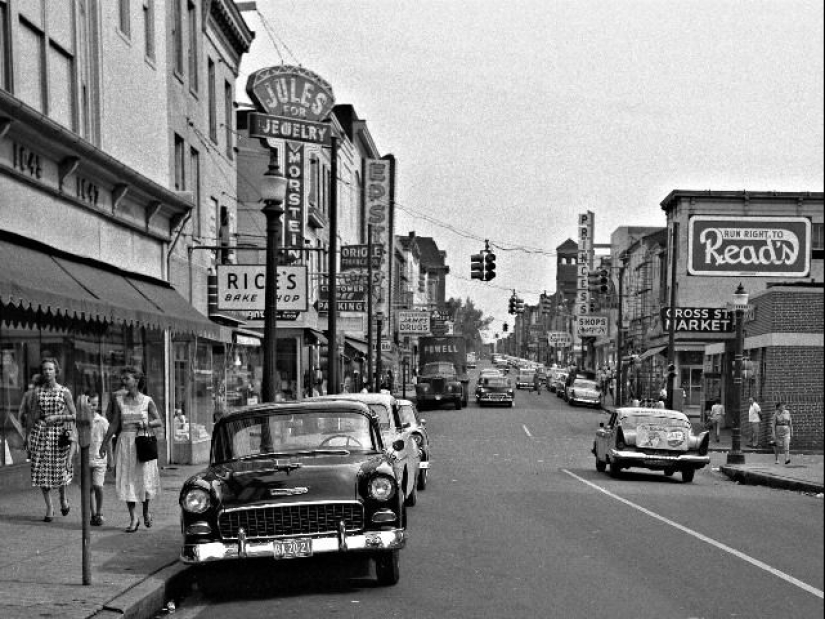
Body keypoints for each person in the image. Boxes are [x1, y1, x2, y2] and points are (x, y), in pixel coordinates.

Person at [101, 366, 161, 532]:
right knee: (128, 480)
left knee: (144, 478)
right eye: (122, 378)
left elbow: (158, 421)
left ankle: (146, 511)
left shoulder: (147, 400)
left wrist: (147, 423)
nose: (123, 381)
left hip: (142, 443)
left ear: (137, 380)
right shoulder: (119, 401)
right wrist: (104, 443)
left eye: (127, 378)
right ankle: (133, 518)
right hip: (125, 444)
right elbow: (114, 424)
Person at [24, 358, 77, 522]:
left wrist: (58, 417)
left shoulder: (64, 392)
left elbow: (75, 415)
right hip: (41, 434)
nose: (47, 372)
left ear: (56, 371)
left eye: (50, 369)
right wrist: (27, 437)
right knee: (40, 471)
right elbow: (32, 415)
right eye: (45, 369)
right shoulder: (37, 392)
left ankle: (63, 498)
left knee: (60, 470)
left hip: (59, 435)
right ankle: (49, 507)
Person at [86, 394, 112, 526]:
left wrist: (111, 460)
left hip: (100, 459)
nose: (92, 406)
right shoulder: (81, 422)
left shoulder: (102, 421)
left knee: (98, 486)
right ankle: (93, 514)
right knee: (89, 488)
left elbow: (108, 441)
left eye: (95, 404)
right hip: (85, 460)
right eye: (89, 403)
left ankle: (100, 511)